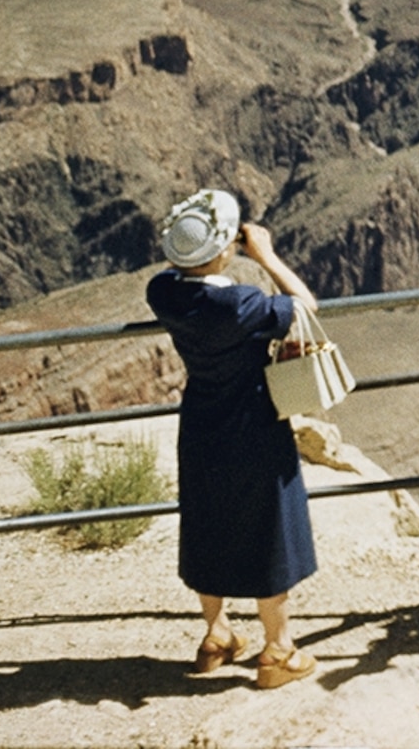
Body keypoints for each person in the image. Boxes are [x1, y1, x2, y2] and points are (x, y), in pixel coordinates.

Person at [148, 188, 321, 689]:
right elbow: (305, 307)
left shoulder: (163, 293)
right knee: (270, 530)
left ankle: (216, 635)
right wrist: (265, 256)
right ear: (225, 249)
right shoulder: (241, 304)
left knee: (209, 522)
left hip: (201, 423)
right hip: (254, 427)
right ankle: (278, 652)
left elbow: (176, 274)